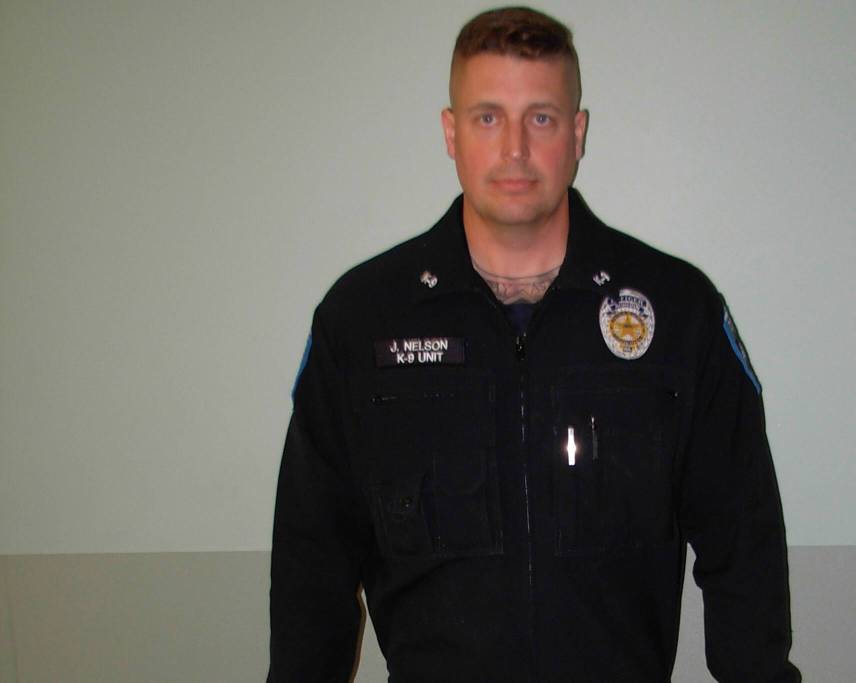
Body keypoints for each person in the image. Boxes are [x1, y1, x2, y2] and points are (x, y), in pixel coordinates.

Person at [268, 6, 801, 682]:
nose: (515, 149)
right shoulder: (361, 321)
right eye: (488, 117)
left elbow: (743, 546)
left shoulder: (678, 312)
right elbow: (312, 565)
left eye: (541, 118)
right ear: (451, 133)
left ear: (577, 134)